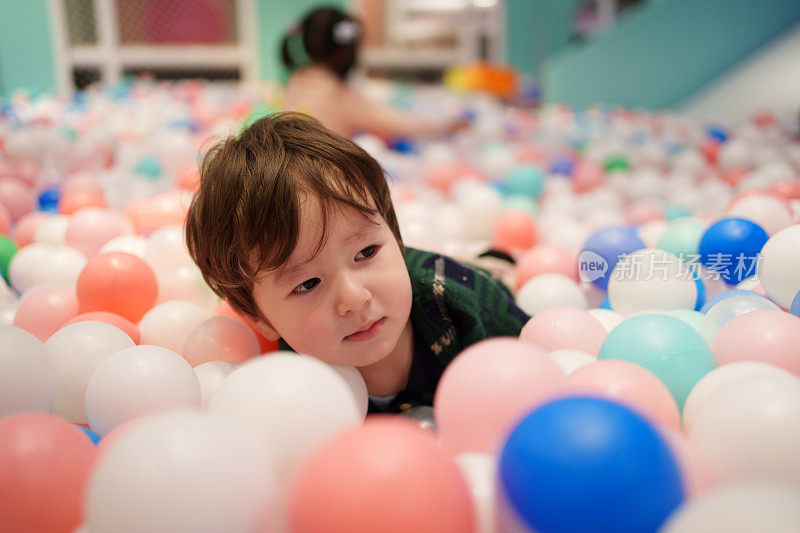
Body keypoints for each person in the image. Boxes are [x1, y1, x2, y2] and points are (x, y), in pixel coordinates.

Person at [185, 112, 530, 413]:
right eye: (307, 284)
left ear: (394, 236)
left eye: (366, 253)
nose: (354, 298)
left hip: (458, 274)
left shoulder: (453, 295)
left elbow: (538, 357)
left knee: (494, 272)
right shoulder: (289, 382)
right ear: (260, 319)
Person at [279, 6, 467, 139]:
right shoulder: (340, 94)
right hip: (322, 177)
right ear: (344, 51)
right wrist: (448, 125)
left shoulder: (296, 80)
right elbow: (401, 124)